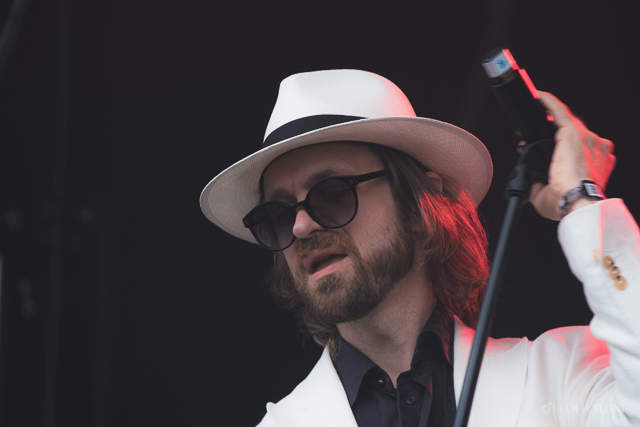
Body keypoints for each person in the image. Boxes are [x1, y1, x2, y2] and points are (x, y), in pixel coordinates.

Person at [200, 69, 640, 426]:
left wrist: (581, 201)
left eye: (332, 193)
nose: (299, 226)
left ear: (418, 205)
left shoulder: (560, 376)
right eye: (278, 215)